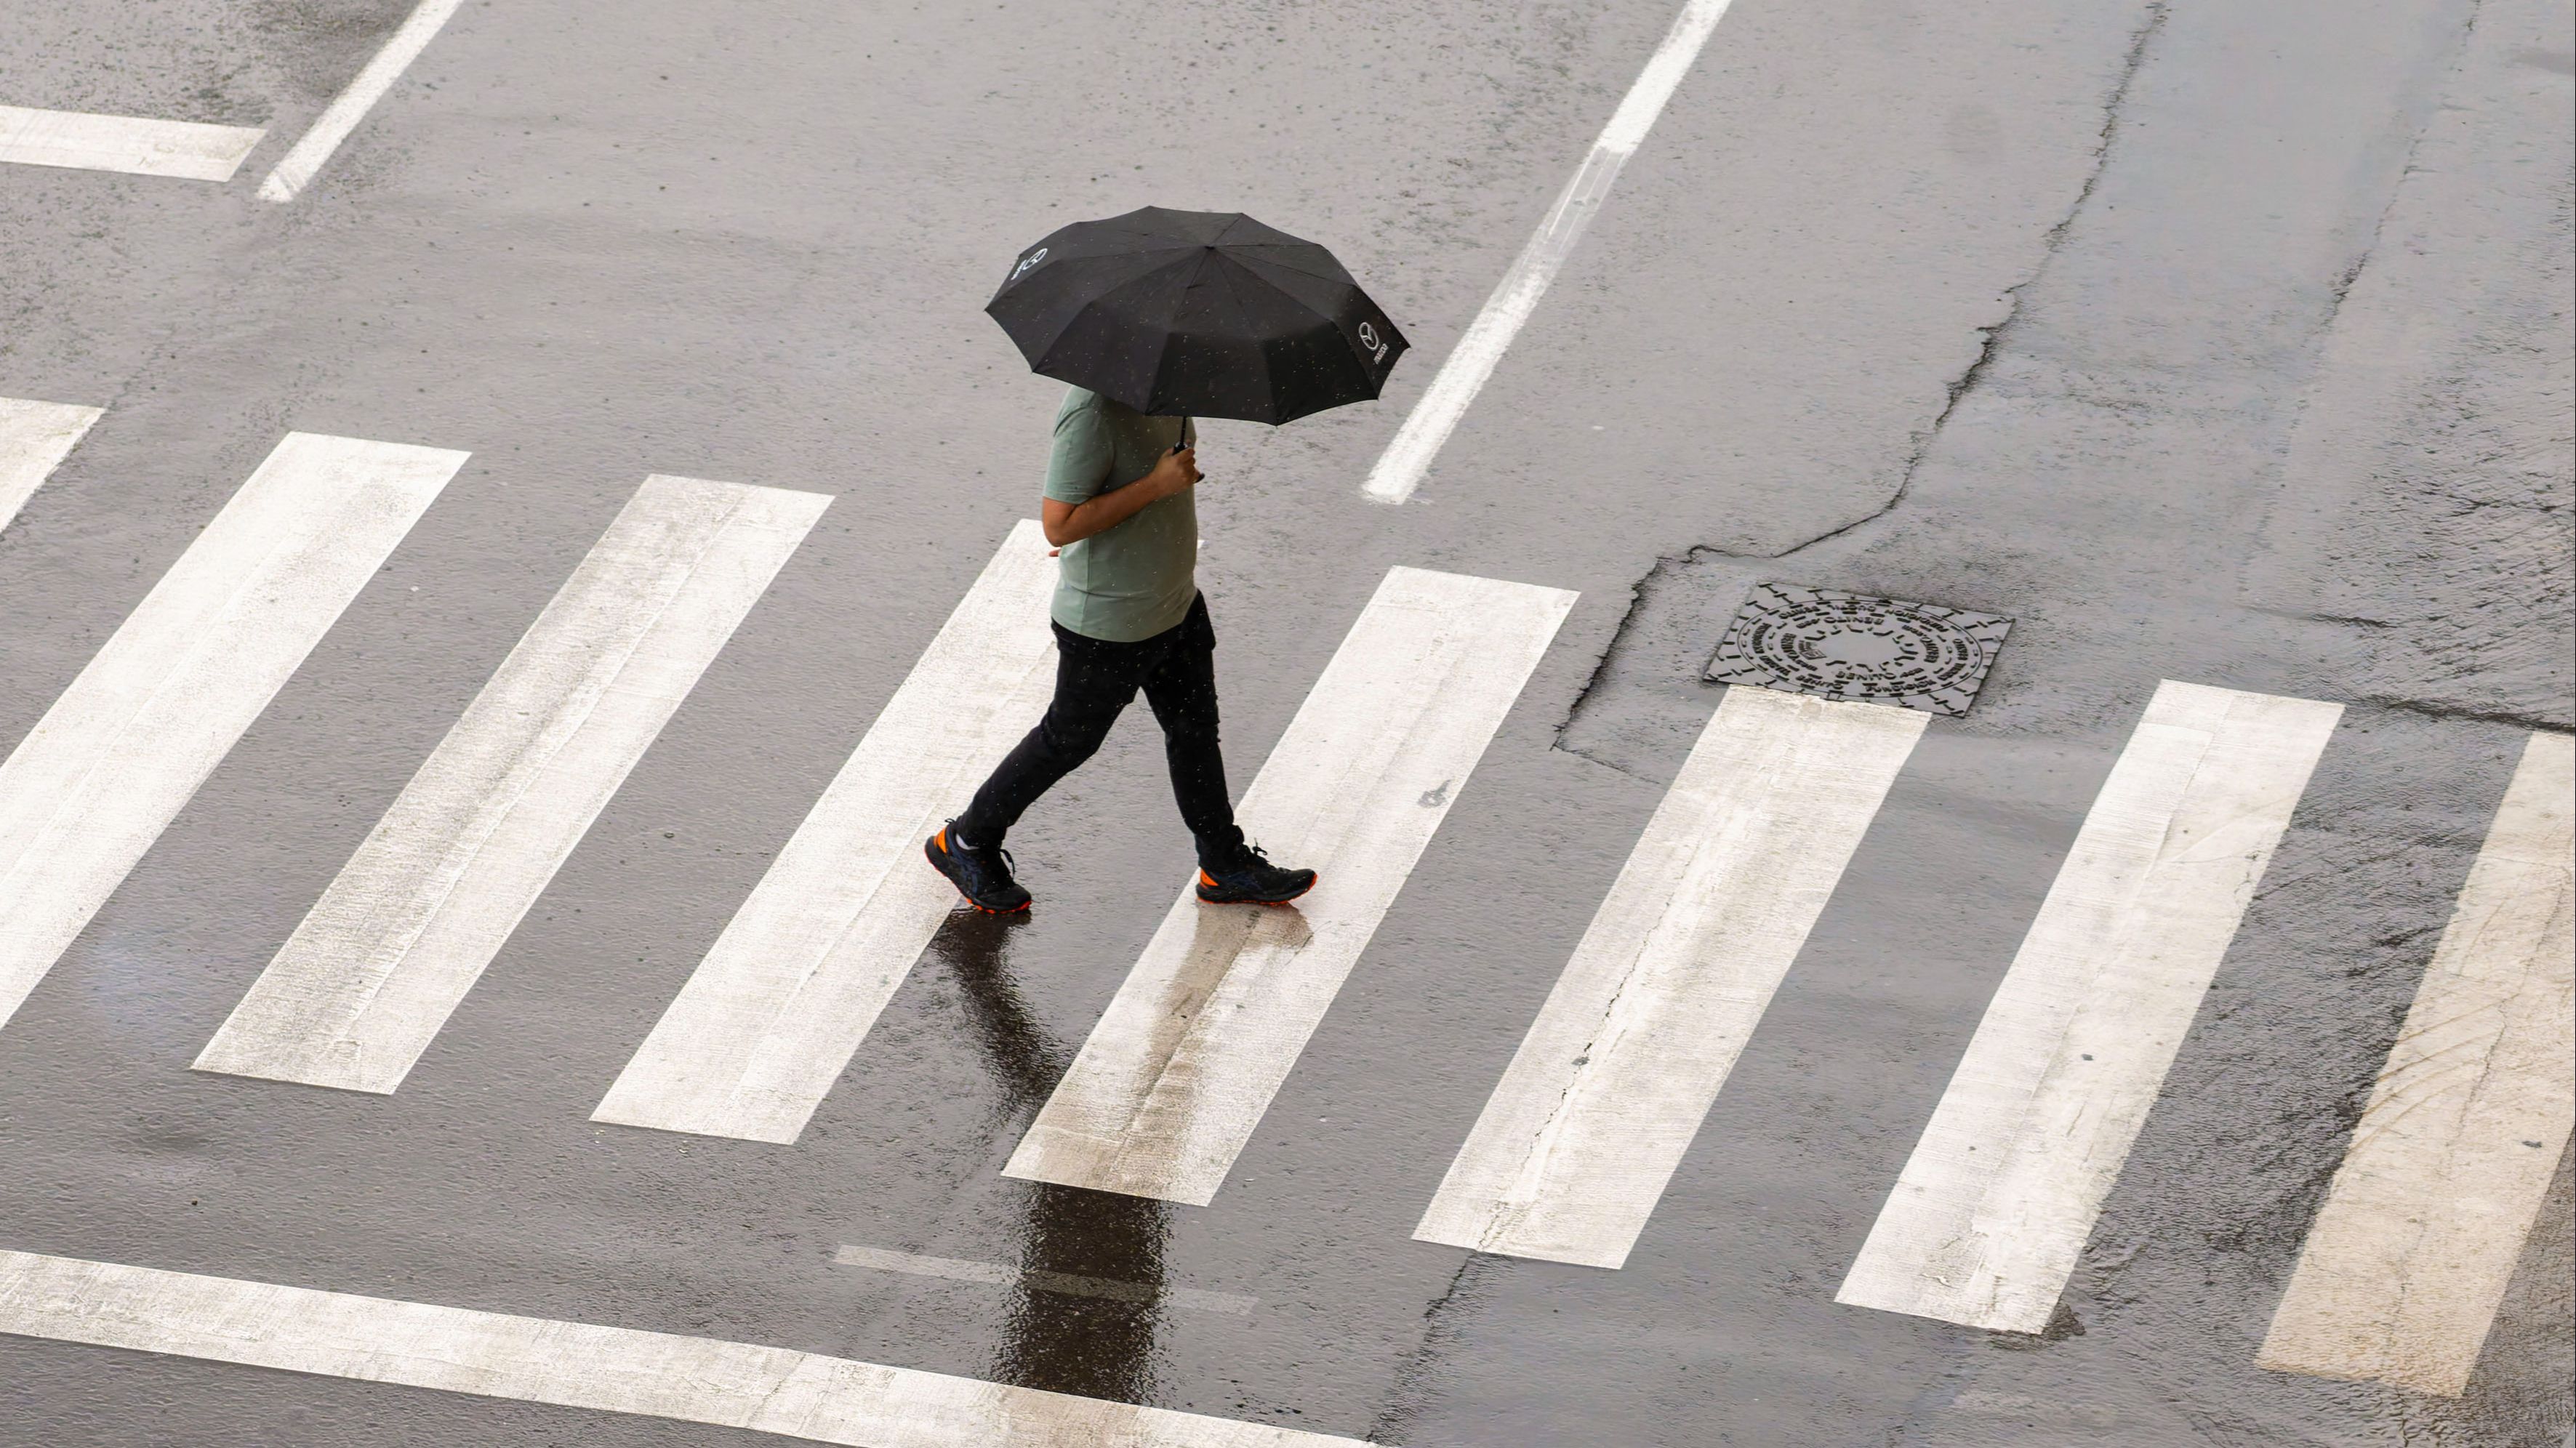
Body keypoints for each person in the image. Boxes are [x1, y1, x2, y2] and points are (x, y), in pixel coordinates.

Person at [925, 386, 1317, 914]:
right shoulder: (1091, 413)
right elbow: (1059, 523)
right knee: (1068, 741)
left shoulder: (1171, 386)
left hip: (1174, 602)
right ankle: (966, 840)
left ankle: (1223, 864)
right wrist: (1155, 486)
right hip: (1110, 622)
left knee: (1195, 732)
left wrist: (1165, 485)